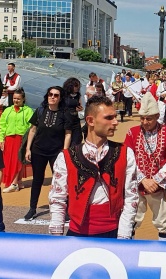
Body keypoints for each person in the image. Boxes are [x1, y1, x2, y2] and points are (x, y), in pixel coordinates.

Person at [48, 95, 139, 238]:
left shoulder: (125, 153)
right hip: (77, 234)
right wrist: (57, 237)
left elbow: (131, 197)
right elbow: (58, 199)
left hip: (114, 233)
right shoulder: (66, 157)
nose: (115, 122)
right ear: (90, 121)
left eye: (115, 117)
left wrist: (123, 237)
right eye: (109, 118)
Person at [125, 92, 166, 241]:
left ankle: (165, 254)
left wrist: (155, 181)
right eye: (142, 118)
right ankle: (128, 252)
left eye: (148, 118)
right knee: (131, 219)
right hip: (136, 185)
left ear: (156, 116)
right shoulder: (132, 133)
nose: (144, 121)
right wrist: (143, 179)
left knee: (163, 221)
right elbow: (128, 159)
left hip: (158, 187)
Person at [24, 86, 72, 220]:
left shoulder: (64, 114)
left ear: (60, 98)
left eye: (56, 95)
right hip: (38, 150)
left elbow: (68, 134)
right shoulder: (40, 111)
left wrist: (64, 152)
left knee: (60, 181)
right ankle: (32, 208)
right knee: (37, 180)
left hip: (56, 152)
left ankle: (64, 209)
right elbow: (32, 130)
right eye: (50, 94)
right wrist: (28, 149)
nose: (52, 97)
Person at [0, 90, 34, 193]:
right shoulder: (8, 110)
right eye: (14, 98)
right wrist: (1, 138)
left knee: (18, 161)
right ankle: (18, 181)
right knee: (9, 161)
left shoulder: (28, 111)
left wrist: (27, 140)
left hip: (21, 139)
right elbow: (2, 125)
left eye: (18, 98)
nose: (16, 100)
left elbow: (31, 126)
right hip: (9, 138)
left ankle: (14, 183)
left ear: (23, 99)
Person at [62, 77, 84, 146]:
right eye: (76, 86)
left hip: (75, 118)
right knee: (66, 136)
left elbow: (78, 105)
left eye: (78, 86)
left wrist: (79, 109)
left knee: (77, 137)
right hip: (66, 118)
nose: (77, 88)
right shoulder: (64, 95)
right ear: (70, 86)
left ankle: (72, 152)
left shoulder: (77, 95)